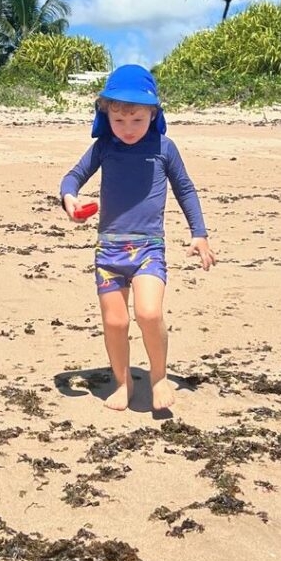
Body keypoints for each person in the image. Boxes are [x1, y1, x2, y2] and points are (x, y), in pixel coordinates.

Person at [59, 64, 216, 412]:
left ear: (153, 113)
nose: (127, 129)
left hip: (148, 248)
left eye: (136, 120)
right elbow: (72, 178)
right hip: (108, 250)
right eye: (119, 120)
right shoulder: (103, 147)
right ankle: (123, 380)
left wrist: (199, 234)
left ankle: (158, 377)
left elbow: (185, 190)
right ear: (106, 114)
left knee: (148, 313)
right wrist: (70, 200)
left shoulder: (164, 147)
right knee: (115, 321)